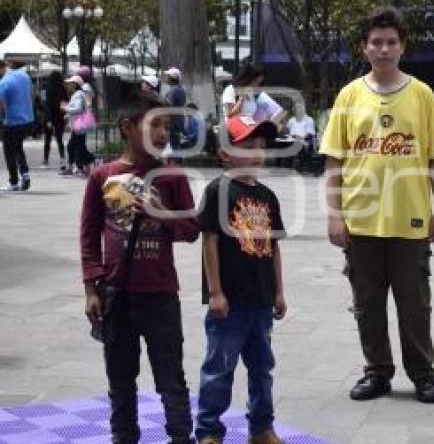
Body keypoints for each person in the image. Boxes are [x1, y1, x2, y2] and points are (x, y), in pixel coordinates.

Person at [320, 6, 434, 404]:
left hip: (410, 220)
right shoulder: (349, 95)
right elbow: (333, 160)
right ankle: (377, 372)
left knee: (415, 304)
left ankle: (423, 374)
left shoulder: (422, 95)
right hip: (360, 220)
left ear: (403, 47)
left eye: (391, 42)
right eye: (376, 42)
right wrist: (334, 214)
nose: (383, 49)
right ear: (364, 48)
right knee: (367, 304)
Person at [80, 93, 200, 443]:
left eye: (166, 125)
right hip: (116, 295)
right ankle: (123, 436)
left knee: (171, 378)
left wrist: (161, 214)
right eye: (154, 125)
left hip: (161, 294)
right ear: (127, 127)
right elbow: (89, 237)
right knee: (120, 377)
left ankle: (180, 436)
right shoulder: (102, 176)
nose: (163, 133)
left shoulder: (172, 177)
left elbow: (192, 230)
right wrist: (91, 288)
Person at [194, 116, 287, 444]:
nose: (258, 153)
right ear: (225, 153)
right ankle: (208, 430)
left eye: (261, 146)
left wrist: (279, 291)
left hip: (261, 300)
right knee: (219, 369)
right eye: (248, 146)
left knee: (262, 369)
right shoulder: (218, 190)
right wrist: (215, 292)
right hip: (229, 302)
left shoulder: (268, 196)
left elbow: (273, 247)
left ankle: (261, 427)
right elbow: (210, 242)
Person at [0, 60, 35, 192]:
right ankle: (25, 175)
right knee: (18, 147)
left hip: (12, 120)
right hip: (27, 119)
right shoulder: (24, 76)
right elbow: (31, 95)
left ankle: (14, 181)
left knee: (9, 150)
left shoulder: (4, 82)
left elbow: (1, 103)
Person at [221, 64, 286, 132]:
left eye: (259, 83)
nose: (256, 85)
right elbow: (230, 115)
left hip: (249, 130)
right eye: (255, 81)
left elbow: (280, 113)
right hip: (235, 131)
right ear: (247, 78)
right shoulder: (231, 89)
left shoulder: (254, 95)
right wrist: (241, 98)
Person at [62, 75, 95, 177]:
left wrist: (66, 108)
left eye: (70, 83)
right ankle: (79, 166)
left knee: (73, 146)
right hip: (78, 125)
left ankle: (87, 161)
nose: (68, 85)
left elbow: (78, 109)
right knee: (78, 146)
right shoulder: (79, 94)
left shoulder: (78, 94)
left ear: (75, 84)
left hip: (78, 125)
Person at [42, 71, 68, 172]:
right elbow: (65, 103)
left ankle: (45, 160)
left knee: (47, 140)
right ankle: (62, 160)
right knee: (59, 139)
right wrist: (65, 114)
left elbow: (47, 106)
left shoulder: (48, 89)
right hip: (60, 117)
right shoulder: (63, 89)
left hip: (50, 117)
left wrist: (48, 119)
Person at [286, 102, 316, 170]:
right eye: (295, 111)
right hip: (291, 140)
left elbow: (310, 134)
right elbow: (288, 131)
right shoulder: (292, 120)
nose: (296, 113)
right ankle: (285, 167)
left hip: (304, 140)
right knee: (282, 145)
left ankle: (300, 166)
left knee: (300, 146)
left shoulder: (309, 120)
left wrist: (299, 137)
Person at [163, 67, 187, 151]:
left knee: (173, 144)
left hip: (173, 121)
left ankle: (176, 162)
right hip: (179, 120)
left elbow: (168, 106)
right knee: (175, 143)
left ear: (172, 78)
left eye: (168, 76)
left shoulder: (173, 91)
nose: (166, 78)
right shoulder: (181, 90)